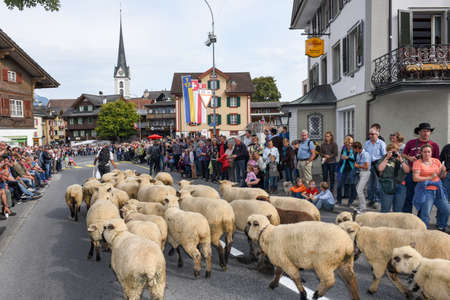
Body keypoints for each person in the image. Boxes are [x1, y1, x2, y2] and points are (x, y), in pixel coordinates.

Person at [402, 122, 440, 213]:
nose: (426, 133)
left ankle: (420, 219)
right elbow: (403, 154)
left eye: (428, 131)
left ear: (430, 133)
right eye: (424, 131)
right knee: (409, 196)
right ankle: (407, 217)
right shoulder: (411, 143)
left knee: (423, 198)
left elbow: (436, 160)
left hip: (426, 175)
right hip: (412, 173)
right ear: (419, 132)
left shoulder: (434, 145)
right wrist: (410, 158)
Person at [412, 144, 450, 231]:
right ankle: (423, 233)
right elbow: (415, 178)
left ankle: (441, 226)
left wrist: (443, 171)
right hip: (426, 191)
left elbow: (442, 176)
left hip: (439, 190)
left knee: (447, 210)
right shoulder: (418, 163)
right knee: (425, 215)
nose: (427, 154)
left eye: (428, 152)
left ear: (431, 153)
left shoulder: (436, 161)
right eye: (424, 152)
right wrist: (429, 178)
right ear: (421, 153)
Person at [376, 143, 410, 213]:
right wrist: (387, 158)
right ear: (387, 151)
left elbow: (407, 171)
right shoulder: (384, 158)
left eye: (395, 151)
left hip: (400, 185)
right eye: (391, 151)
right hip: (387, 185)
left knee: (398, 210)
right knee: (385, 209)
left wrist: (401, 160)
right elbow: (380, 169)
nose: (393, 153)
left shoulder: (401, 159)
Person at [364, 126, 386, 208]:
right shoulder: (367, 143)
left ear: (377, 134)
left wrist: (382, 167)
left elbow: (384, 156)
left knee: (377, 184)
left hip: (377, 164)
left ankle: (377, 200)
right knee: (369, 185)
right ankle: (370, 200)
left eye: (372, 134)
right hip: (369, 165)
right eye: (369, 134)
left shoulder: (381, 143)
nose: (371, 136)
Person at [336, 135, 357, 206]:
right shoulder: (344, 149)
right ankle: (339, 201)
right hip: (343, 169)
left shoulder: (354, 150)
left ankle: (350, 202)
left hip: (351, 170)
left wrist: (347, 157)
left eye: (350, 143)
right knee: (339, 186)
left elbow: (355, 160)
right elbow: (341, 159)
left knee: (351, 186)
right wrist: (338, 167)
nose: (349, 145)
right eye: (347, 144)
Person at [353, 142, 371, 212]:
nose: (354, 150)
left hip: (365, 173)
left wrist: (358, 166)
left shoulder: (365, 154)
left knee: (359, 190)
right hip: (361, 172)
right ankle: (361, 205)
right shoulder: (358, 154)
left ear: (357, 148)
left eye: (354, 149)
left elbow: (366, 166)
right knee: (358, 188)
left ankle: (363, 207)